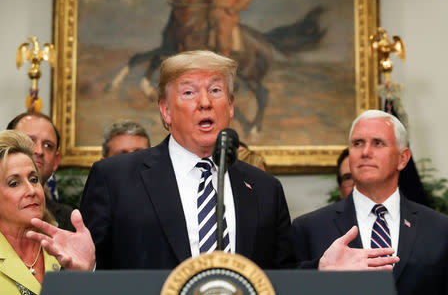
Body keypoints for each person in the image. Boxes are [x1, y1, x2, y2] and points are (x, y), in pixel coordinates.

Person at [81, 50, 398, 270]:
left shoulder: (263, 188)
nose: (205, 102)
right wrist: (85, 267)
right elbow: (92, 266)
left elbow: (277, 277)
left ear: (231, 106)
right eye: (189, 93)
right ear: (165, 111)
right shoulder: (116, 179)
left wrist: (320, 269)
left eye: (216, 90)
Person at [292, 110, 448, 295]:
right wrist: (320, 270)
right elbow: (286, 287)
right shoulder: (309, 228)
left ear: (402, 158)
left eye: (378, 143)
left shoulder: (440, 229)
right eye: (358, 143)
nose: (366, 152)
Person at [0, 130, 95, 295]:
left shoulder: (64, 240)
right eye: (14, 183)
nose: (31, 190)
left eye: (34, 179)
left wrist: (87, 272)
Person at [7, 112, 74, 231]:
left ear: (56, 161)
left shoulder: (70, 221)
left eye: (48, 146)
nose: (39, 151)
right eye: (29, 141)